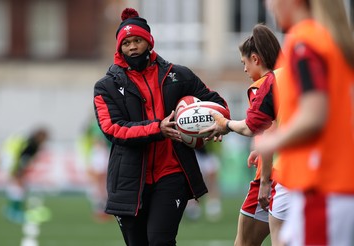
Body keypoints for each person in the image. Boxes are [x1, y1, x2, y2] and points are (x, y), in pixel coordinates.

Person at [93, 7, 230, 246]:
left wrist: (215, 124)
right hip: (129, 180)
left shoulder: (179, 75)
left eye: (137, 40)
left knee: (160, 242)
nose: (132, 47)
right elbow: (113, 129)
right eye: (126, 43)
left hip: (172, 174)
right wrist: (158, 128)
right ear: (119, 49)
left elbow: (217, 104)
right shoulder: (106, 87)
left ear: (149, 41)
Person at [254, 0, 354, 245]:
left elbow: (313, 116)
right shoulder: (330, 42)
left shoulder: (304, 42)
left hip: (320, 187)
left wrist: (271, 142)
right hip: (334, 187)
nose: (269, 6)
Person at [200, 24, 286, 245]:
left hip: (276, 178)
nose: (244, 70)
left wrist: (225, 124)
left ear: (255, 59)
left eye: (244, 63)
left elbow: (257, 128)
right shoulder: (290, 75)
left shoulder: (263, 85)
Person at [0, 127, 49, 223]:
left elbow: (25, 161)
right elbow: (20, 158)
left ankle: (13, 208)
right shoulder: (30, 144)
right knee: (17, 184)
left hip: (9, 156)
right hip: (10, 157)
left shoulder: (31, 142)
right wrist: (18, 174)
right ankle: (15, 211)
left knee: (18, 184)